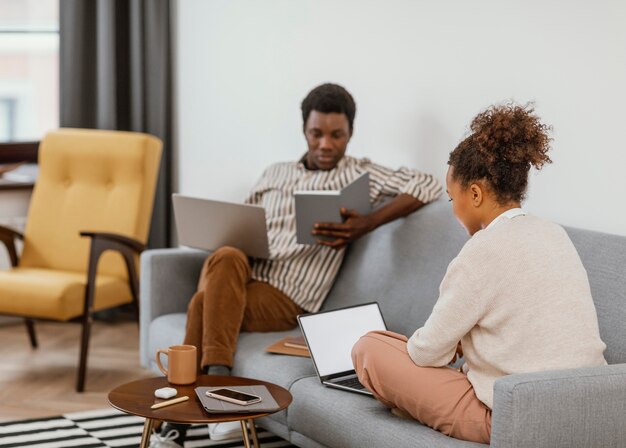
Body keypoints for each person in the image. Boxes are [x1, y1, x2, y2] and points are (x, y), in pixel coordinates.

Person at [158, 83, 442, 446]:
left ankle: (184, 416)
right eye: (316, 133)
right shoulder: (274, 173)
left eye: (336, 135)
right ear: (304, 131)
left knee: (202, 304)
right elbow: (241, 220)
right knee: (227, 255)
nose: (326, 144)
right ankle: (219, 393)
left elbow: (426, 183)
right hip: (243, 271)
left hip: (288, 294)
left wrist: (365, 224)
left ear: (350, 133)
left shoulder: (361, 175)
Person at [351, 103, 607, 444]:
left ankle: (410, 403)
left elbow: (426, 354)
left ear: (474, 194)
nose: (452, 207)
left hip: (512, 415)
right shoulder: (555, 234)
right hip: (592, 404)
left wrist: (451, 341)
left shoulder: (481, 250)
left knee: (370, 347)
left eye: (450, 198)